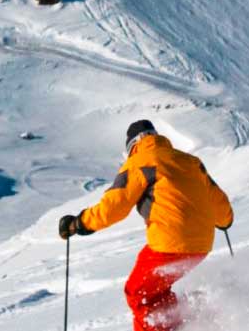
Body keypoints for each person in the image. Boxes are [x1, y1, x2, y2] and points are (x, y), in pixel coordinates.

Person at [58, 120, 233, 331]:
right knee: (156, 289)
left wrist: (79, 223)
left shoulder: (139, 162)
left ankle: (173, 324)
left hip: (170, 243)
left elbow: (114, 207)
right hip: (202, 244)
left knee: (138, 291)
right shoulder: (190, 161)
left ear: (133, 146)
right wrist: (224, 221)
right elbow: (219, 201)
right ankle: (185, 322)